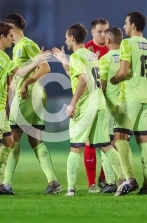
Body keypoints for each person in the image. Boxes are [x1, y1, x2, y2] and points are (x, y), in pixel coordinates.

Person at [0, 22, 52, 195]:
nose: (13, 39)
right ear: (2, 37)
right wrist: (37, 60)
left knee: (9, 142)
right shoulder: (0, 56)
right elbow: (19, 73)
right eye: (10, 36)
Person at [52, 23, 126, 197]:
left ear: (71, 38)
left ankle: (70, 189)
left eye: (66, 37)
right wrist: (63, 60)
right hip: (99, 104)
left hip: (85, 106)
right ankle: (124, 180)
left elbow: (83, 79)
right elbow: (76, 75)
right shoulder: (91, 55)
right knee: (106, 146)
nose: (65, 40)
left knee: (75, 147)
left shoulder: (77, 56)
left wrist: (73, 103)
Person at [3, 13, 61, 194]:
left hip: (29, 94)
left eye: (7, 29)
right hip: (32, 95)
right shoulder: (18, 47)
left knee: (13, 135)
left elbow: (45, 67)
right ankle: (53, 182)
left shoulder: (26, 44)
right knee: (35, 138)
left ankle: (6, 184)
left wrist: (27, 83)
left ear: (12, 28)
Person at [110, 11, 147, 195]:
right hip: (146, 98)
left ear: (134, 26)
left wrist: (114, 80)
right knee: (143, 141)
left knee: (119, 139)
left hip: (130, 97)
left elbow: (123, 72)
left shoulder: (127, 43)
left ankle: (130, 179)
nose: (124, 26)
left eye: (126, 23)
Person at [84, 18, 109, 191]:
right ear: (92, 32)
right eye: (99, 31)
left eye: (105, 31)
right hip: (92, 101)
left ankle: (104, 177)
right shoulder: (85, 49)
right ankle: (92, 183)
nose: (103, 34)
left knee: (109, 142)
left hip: (111, 102)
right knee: (90, 141)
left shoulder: (114, 48)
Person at [97, 26, 123, 193]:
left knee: (104, 144)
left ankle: (113, 181)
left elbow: (102, 86)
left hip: (109, 107)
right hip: (127, 106)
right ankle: (126, 179)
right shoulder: (128, 58)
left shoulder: (105, 59)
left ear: (108, 40)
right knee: (120, 144)